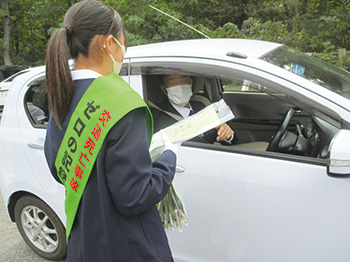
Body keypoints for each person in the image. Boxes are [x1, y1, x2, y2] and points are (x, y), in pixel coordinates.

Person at [44, 1, 180, 261]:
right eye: (122, 41)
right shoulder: (123, 104)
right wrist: (169, 157)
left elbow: (58, 169)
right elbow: (135, 197)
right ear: (108, 43)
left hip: (84, 243)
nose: (124, 49)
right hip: (128, 247)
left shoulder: (61, 94)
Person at [150, 74, 235, 144]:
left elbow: (229, 141)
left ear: (191, 83)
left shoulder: (203, 105)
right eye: (172, 80)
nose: (179, 85)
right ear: (164, 89)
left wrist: (228, 135)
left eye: (183, 78)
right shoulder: (157, 120)